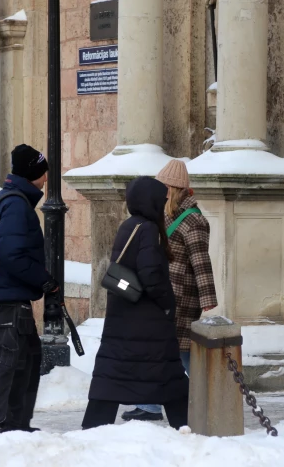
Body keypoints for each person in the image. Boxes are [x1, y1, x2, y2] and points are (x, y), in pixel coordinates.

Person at [82, 176, 189, 430]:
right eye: (161, 200)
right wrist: (166, 303)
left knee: (113, 375)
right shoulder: (149, 229)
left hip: (125, 320)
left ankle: (94, 427)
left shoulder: (129, 225)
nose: (164, 205)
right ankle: (185, 426)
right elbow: (150, 273)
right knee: (170, 378)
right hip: (147, 322)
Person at [122, 160, 217, 422]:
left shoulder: (194, 220)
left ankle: (210, 397)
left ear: (172, 189)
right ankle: (151, 405)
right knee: (162, 351)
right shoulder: (165, 215)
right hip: (165, 295)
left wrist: (208, 300)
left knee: (183, 355)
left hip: (183, 297)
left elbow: (201, 260)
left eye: (162, 187)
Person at [0, 144, 61, 435]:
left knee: (28, 358)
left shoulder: (13, 201)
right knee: (9, 361)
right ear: (31, 174)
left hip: (13, 295)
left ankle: (15, 424)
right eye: (42, 174)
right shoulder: (14, 205)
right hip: (9, 297)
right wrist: (45, 280)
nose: (45, 180)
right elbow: (12, 255)